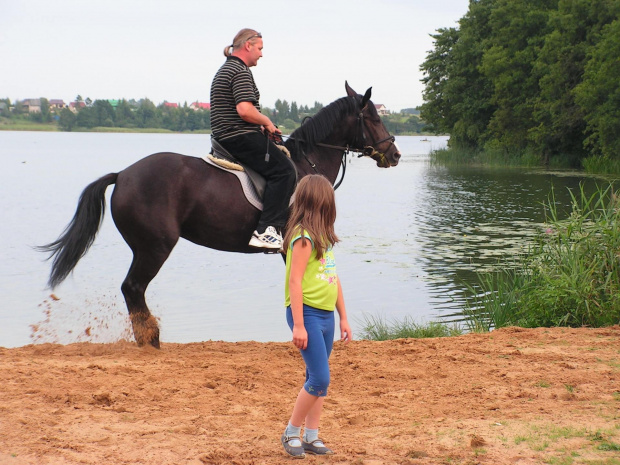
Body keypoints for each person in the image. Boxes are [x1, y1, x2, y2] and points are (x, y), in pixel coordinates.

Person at [280, 175, 352, 458]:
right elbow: (294, 282)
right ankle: (290, 432)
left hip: (326, 316)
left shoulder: (324, 238)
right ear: (320, 203)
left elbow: (334, 279)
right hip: (307, 314)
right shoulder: (303, 237)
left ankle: (311, 436)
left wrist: (343, 317)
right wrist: (298, 324)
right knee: (321, 379)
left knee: (315, 377)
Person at [210, 28, 296, 250]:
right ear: (248, 46)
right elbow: (244, 110)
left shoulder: (226, 68)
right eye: (260, 48)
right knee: (285, 170)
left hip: (225, 135)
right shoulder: (240, 70)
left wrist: (263, 126)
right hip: (238, 136)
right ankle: (266, 229)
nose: (261, 54)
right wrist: (266, 121)